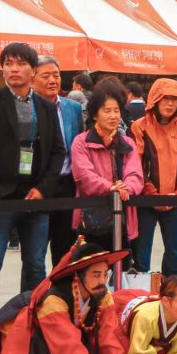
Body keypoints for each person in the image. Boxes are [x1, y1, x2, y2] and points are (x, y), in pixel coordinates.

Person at [0, 240, 140, 354]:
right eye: (96, 275)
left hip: (56, 337)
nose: (102, 281)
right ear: (79, 276)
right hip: (29, 335)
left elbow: (109, 333)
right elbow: (65, 339)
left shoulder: (101, 293)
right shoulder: (54, 299)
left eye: (105, 274)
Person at [0, 43, 65, 315]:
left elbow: (58, 150)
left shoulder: (45, 107)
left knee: (35, 265)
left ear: (33, 70)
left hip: (36, 198)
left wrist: (43, 189)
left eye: (20, 64)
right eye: (8, 63)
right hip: (0, 196)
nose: (13, 69)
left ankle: (26, 323)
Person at [129, 78, 177, 277]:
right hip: (145, 201)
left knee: (176, 257)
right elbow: (135, 165)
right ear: (154, 100)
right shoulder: (139, 127)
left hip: (176, 203)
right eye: (165, 98)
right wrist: (152, 193)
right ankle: (139, 301)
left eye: (174, 99)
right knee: (141, 258)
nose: (169, 103)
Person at [71, 84, 144, 258]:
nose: (113, 116)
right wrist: (111, 187)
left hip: (123, 217)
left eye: (116, 110)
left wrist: (126, 187)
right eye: (107, 111)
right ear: (95, 114)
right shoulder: (81, 142)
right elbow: (84, 176)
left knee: (123, 268)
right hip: (91, 220)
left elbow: (135, 174)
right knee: (91, 270)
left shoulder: (127, 142)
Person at [32, 56, 85, 269]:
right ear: (32, 79)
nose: (53, 80)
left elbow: (79, 142)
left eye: (56, 75)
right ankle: (32, 299)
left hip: (67, 184)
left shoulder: (73, 108)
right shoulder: (29, 108)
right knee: (35, 254)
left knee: (65, 253)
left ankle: (62, 298)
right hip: (39, 186)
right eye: (46, 76)